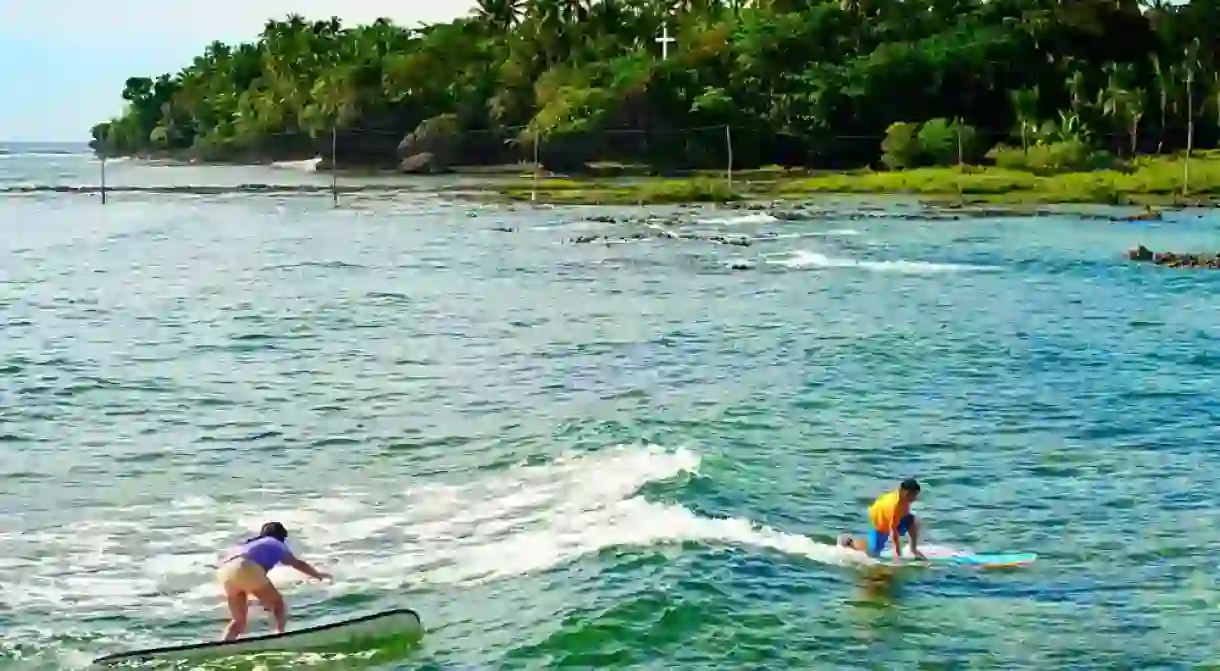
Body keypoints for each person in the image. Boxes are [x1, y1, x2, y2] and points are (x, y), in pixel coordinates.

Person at [215, 521, 332, 641]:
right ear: (281, 536)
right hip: (244, 566)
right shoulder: (276, 543)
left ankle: (223, 644)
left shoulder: (250, 545)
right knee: (278, 604)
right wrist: (317, 574)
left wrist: (263, 600)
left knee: (239, 621)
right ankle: (280, 636)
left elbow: (248, 577)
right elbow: (296, 563)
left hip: (224, 571)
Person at [837, 478, 927, 561]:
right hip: (879, 522)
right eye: (914, 495)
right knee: (873, 553)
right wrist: (898, 555)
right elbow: (893, 532)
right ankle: (850, 542)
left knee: (914, 522)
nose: (915, 498)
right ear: (906, 493)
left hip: (890, 516)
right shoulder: (895, 506)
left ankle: (913, 549)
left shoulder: (903, 498)